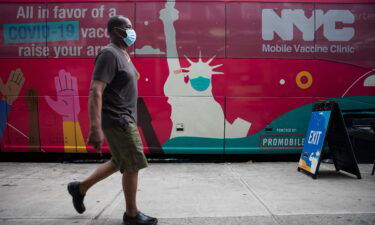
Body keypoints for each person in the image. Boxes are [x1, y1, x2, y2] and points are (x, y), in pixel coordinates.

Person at [67, 16, 158, 225]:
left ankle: (79, 189)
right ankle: (132, 215)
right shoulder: (109, 54)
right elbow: (95, 90)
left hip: (125, 117)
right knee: (133, 163)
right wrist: (95, 127)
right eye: (128, 27)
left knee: (119, 161)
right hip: (119, 119)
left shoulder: (123, 54)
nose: (132, 31)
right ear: (117, 31)